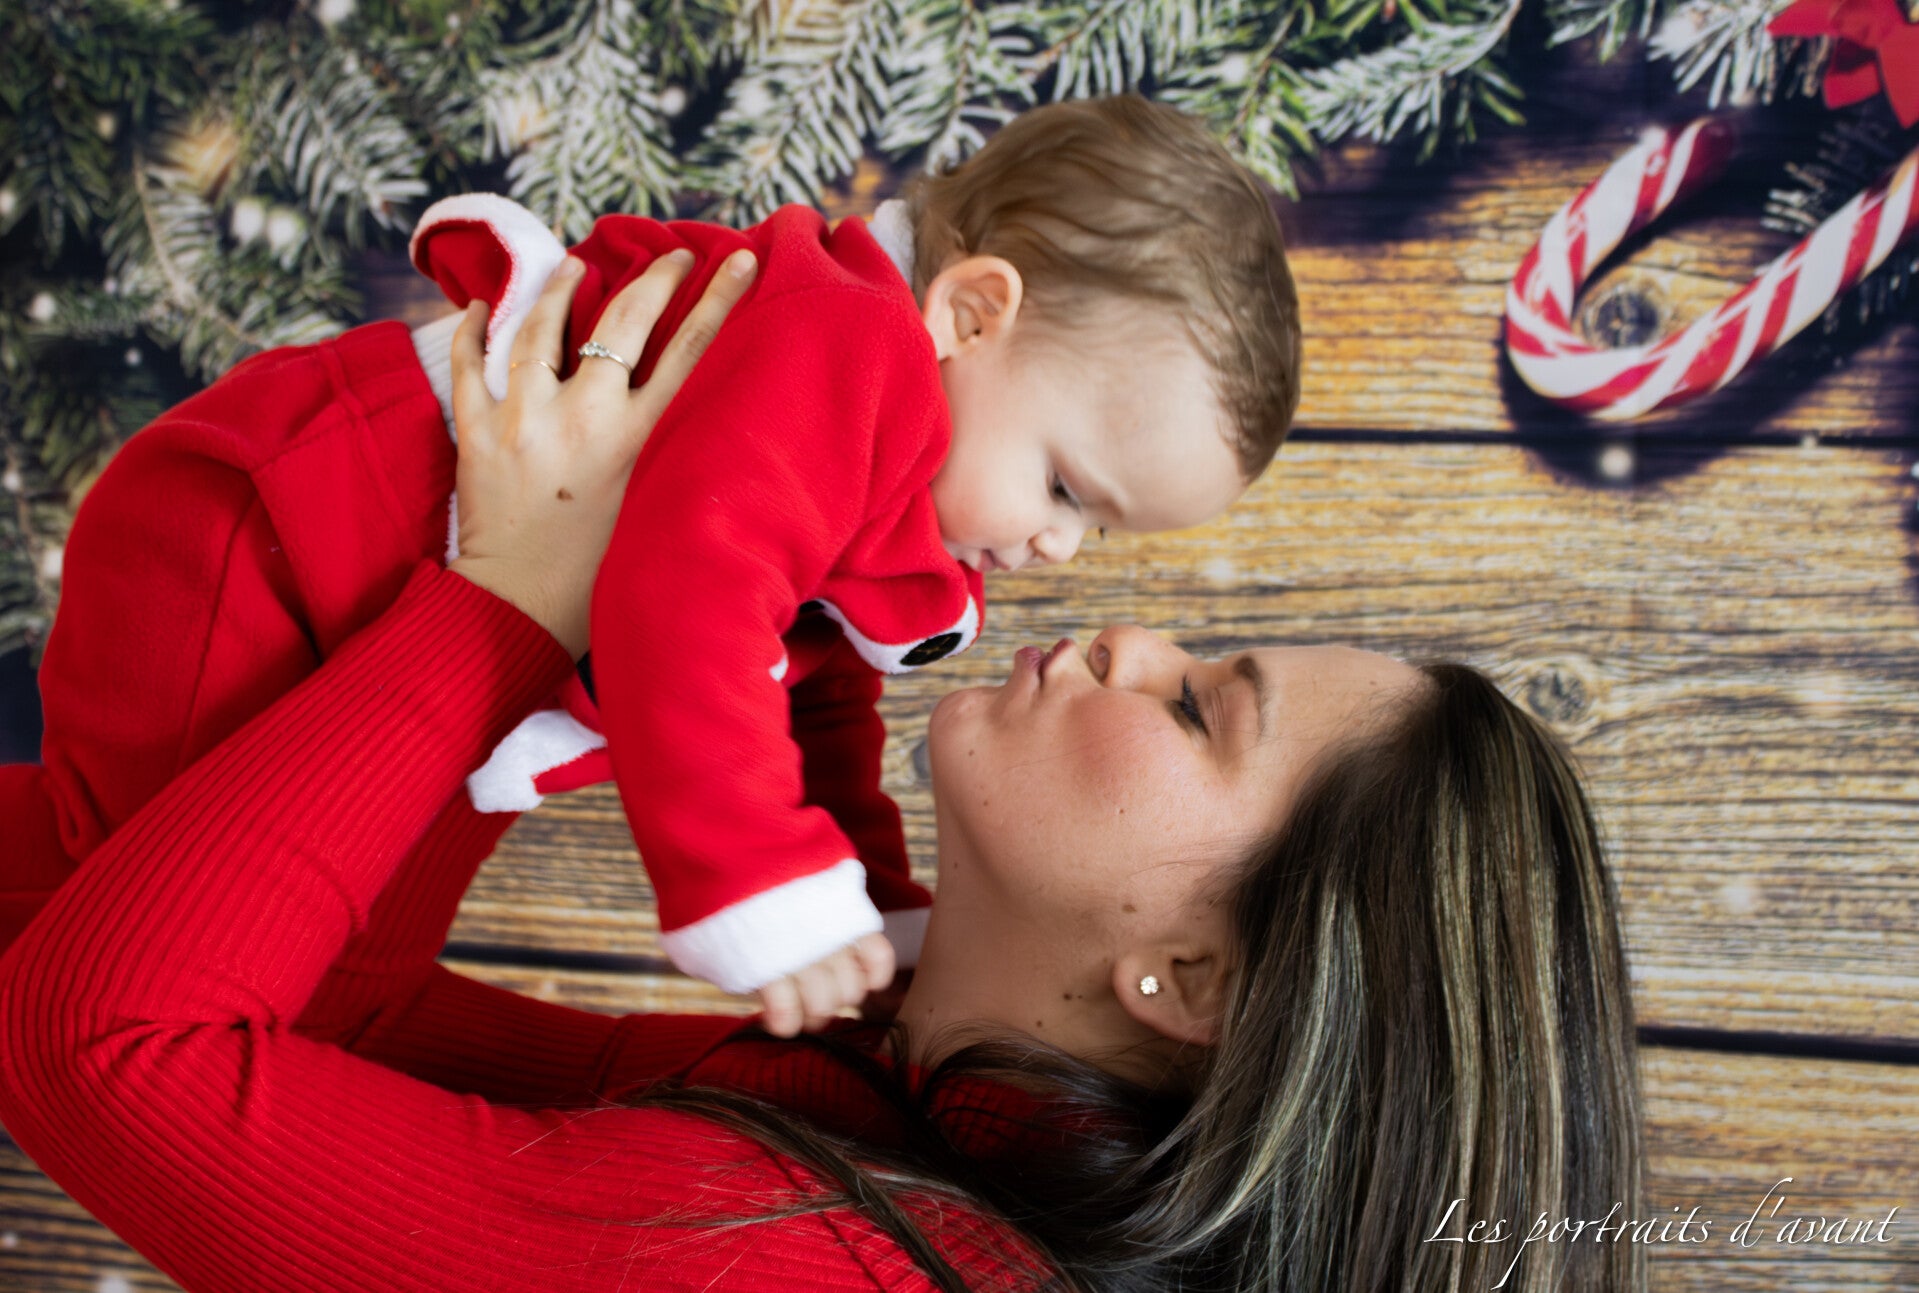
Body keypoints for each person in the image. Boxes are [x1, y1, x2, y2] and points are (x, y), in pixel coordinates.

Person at [0, 227, 1645, 1292]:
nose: (1124, 634)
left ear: (1191, 976)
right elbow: (332, 1016)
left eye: (1196, 709)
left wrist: (513, 598)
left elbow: (103, 1043)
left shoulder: (787, 1261)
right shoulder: (882, 1098)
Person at [5, 94, 1303, 1033]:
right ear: (971, 313)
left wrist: (864, 900)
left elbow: (809, 702)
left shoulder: (880, 477)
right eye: (1068, 487)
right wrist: (758, 878)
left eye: (1097, 528)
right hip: (252, 540)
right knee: (142, 905)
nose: (1058, 546)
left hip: (350, 614)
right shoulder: (845, 351)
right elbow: (686, 601)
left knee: (316, 960)